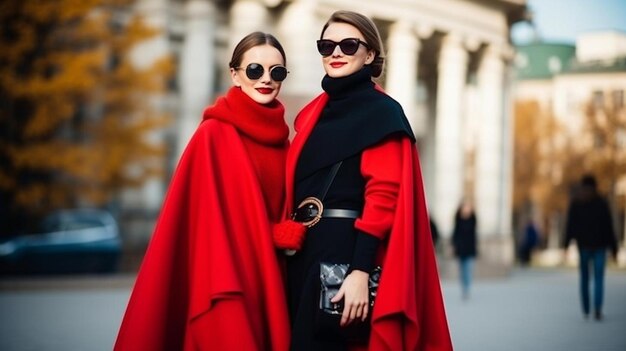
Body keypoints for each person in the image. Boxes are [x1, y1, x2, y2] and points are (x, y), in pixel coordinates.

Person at [272, 10, 452, 351]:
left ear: (370, 54)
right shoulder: (311, 113)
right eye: (327, 46)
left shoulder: (382, 113)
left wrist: (359, 272)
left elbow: (382, 196)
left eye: (348, 45)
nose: (336, 53)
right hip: (302, 254)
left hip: (346, 256)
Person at [114, 32, 291, 350]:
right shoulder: (213, 135)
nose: (266, 79)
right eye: (255, 70)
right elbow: (205, 225)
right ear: (235, 75)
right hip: (224, 280)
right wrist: (273, 234)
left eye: (276, 72)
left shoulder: (285, 143)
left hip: (272, 281)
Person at [564, 174, 618, 321]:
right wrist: (614, 248)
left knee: (585, 278)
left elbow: (571, 226)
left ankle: (587, 309)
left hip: (585, 246)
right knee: (598, 278)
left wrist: (566, 243)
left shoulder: (577, 203)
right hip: (598, 246)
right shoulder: (601, 203)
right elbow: (609, 228)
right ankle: (597, 309)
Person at [451, 200, 477, 300]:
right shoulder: (458, 220)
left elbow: (475, 218)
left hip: (470, 249)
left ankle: (467, 289)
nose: (466, 209)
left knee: (468, 270)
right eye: (464, 207)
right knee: (462, 271)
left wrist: (472, 209)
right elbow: (455, 233)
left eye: (468, 207)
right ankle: (464, 288)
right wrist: (454, 245)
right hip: (461, 250)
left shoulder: (472, 220)